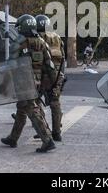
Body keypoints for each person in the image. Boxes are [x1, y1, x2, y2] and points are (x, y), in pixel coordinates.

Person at [1, 14, 56, 153]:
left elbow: (10, 67)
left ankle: (47, 140)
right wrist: (50, 83)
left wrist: (3, 85)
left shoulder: (18, 43)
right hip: (37, 82)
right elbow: (49, 65)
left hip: (23, 81)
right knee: (22, 109)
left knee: (32, 109)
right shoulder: (41, 42)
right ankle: (13, 138)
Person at [35, 14, 65, 142]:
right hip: (57, 75)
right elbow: (63, 58)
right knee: (55, 103)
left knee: (34, 101)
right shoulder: (57, 38)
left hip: (43, 75)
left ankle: (44, 129)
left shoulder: (38, 38)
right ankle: (57, 132)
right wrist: (61, 75)